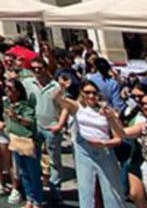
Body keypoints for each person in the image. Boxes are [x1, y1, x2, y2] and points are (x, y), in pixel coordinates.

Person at [53, 78, 125, 208]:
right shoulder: (76, 107)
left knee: (112, 191)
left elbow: (119, 137)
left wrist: (104, 142)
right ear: (81, 92)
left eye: (94, 93)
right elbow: (59, 100)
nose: (91, 96)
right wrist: (61, 89)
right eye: (87, 92)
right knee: (86, 190)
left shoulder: (107, 111)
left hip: (105, 151)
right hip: (84, 151)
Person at [105, 85, 147, 208]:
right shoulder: (144, 125)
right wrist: (112, 118)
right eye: (144, 104)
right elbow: (122, 133)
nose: (145, 107)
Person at [24, 57, 66, 204]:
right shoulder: (27, 83)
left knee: (55, 160)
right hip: (34, 126)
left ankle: (55, 189)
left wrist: (60, 125)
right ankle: (37, 189)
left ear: (45, 68)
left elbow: (65, 107)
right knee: (33, 159)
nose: (36, 71)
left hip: (52, 126)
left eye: (39, 68)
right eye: (33, 68)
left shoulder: (56, 86)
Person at [4, 79, 45, 208]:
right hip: (15, 141)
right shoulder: (7, 104)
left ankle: (38, 201)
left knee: (33, 173)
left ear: (18, 91)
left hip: (27, 142)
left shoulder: (25, 106)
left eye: (10, 88)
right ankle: (29, 199)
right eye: (6, 88)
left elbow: (30, 121)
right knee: (23, 172)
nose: (7, 91)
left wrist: (17, 117)